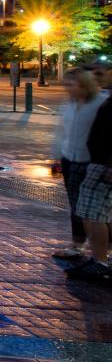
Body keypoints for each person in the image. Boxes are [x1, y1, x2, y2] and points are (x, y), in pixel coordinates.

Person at [51, 69, 107, 260]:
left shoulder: (101, 104)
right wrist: (56, 158)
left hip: (91, 161)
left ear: (84, 84)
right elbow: (61, 132)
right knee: (76, 205)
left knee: (93, 210)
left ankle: (101, 252)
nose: (66, 88)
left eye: (71, 84)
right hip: (69, 159)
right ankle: (78, 244)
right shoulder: (68, 105)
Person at [66, 87, 112, 281]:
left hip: (104, 164)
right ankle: (101, 261)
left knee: (93, 212)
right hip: (100, 162)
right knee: (99, 212)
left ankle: (100, 262)